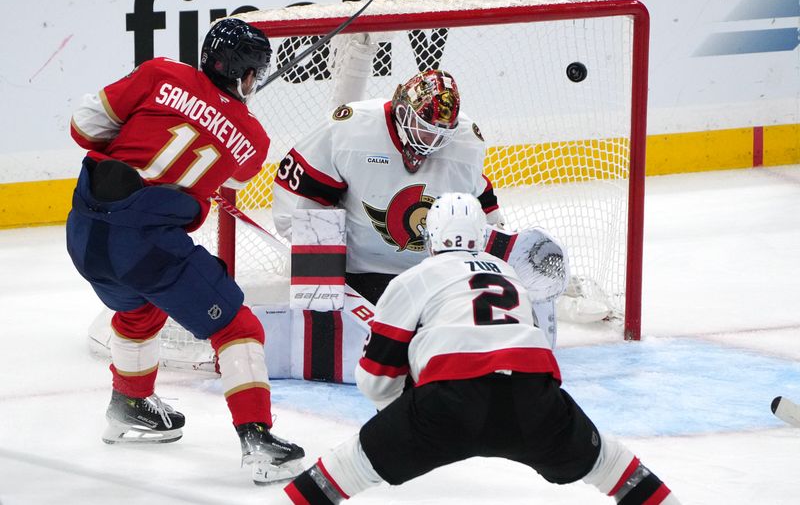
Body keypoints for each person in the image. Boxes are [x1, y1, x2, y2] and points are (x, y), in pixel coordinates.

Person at [280, 193, 680, 504]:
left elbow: (375, 379)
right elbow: (531, 342)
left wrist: (404, 413)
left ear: (430, 237)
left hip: (448, 402)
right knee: (612, 465)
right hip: (533, 398)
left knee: (346, 468)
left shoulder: (417, 277)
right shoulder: (510, 274)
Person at [65, 18, 304, 484]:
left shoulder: (159, 74)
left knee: (140, 311)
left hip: (84, 232)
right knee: (238, 325)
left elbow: (82, 127)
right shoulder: (253, 140)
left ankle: (131, 405)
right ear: (249, 76)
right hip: (146, 243)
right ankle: (258, 441)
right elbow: (228, 179)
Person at [272, 69, 503, 304]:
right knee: (322, 325)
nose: (430, 142)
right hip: (355, 276)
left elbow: (482, 212)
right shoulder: (351, 129)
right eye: (422, 128)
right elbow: (299, 192)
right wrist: (322, 268)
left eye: (439, 136)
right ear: (401, 108)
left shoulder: (467, 143)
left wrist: (496, 257)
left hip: (435, 279)